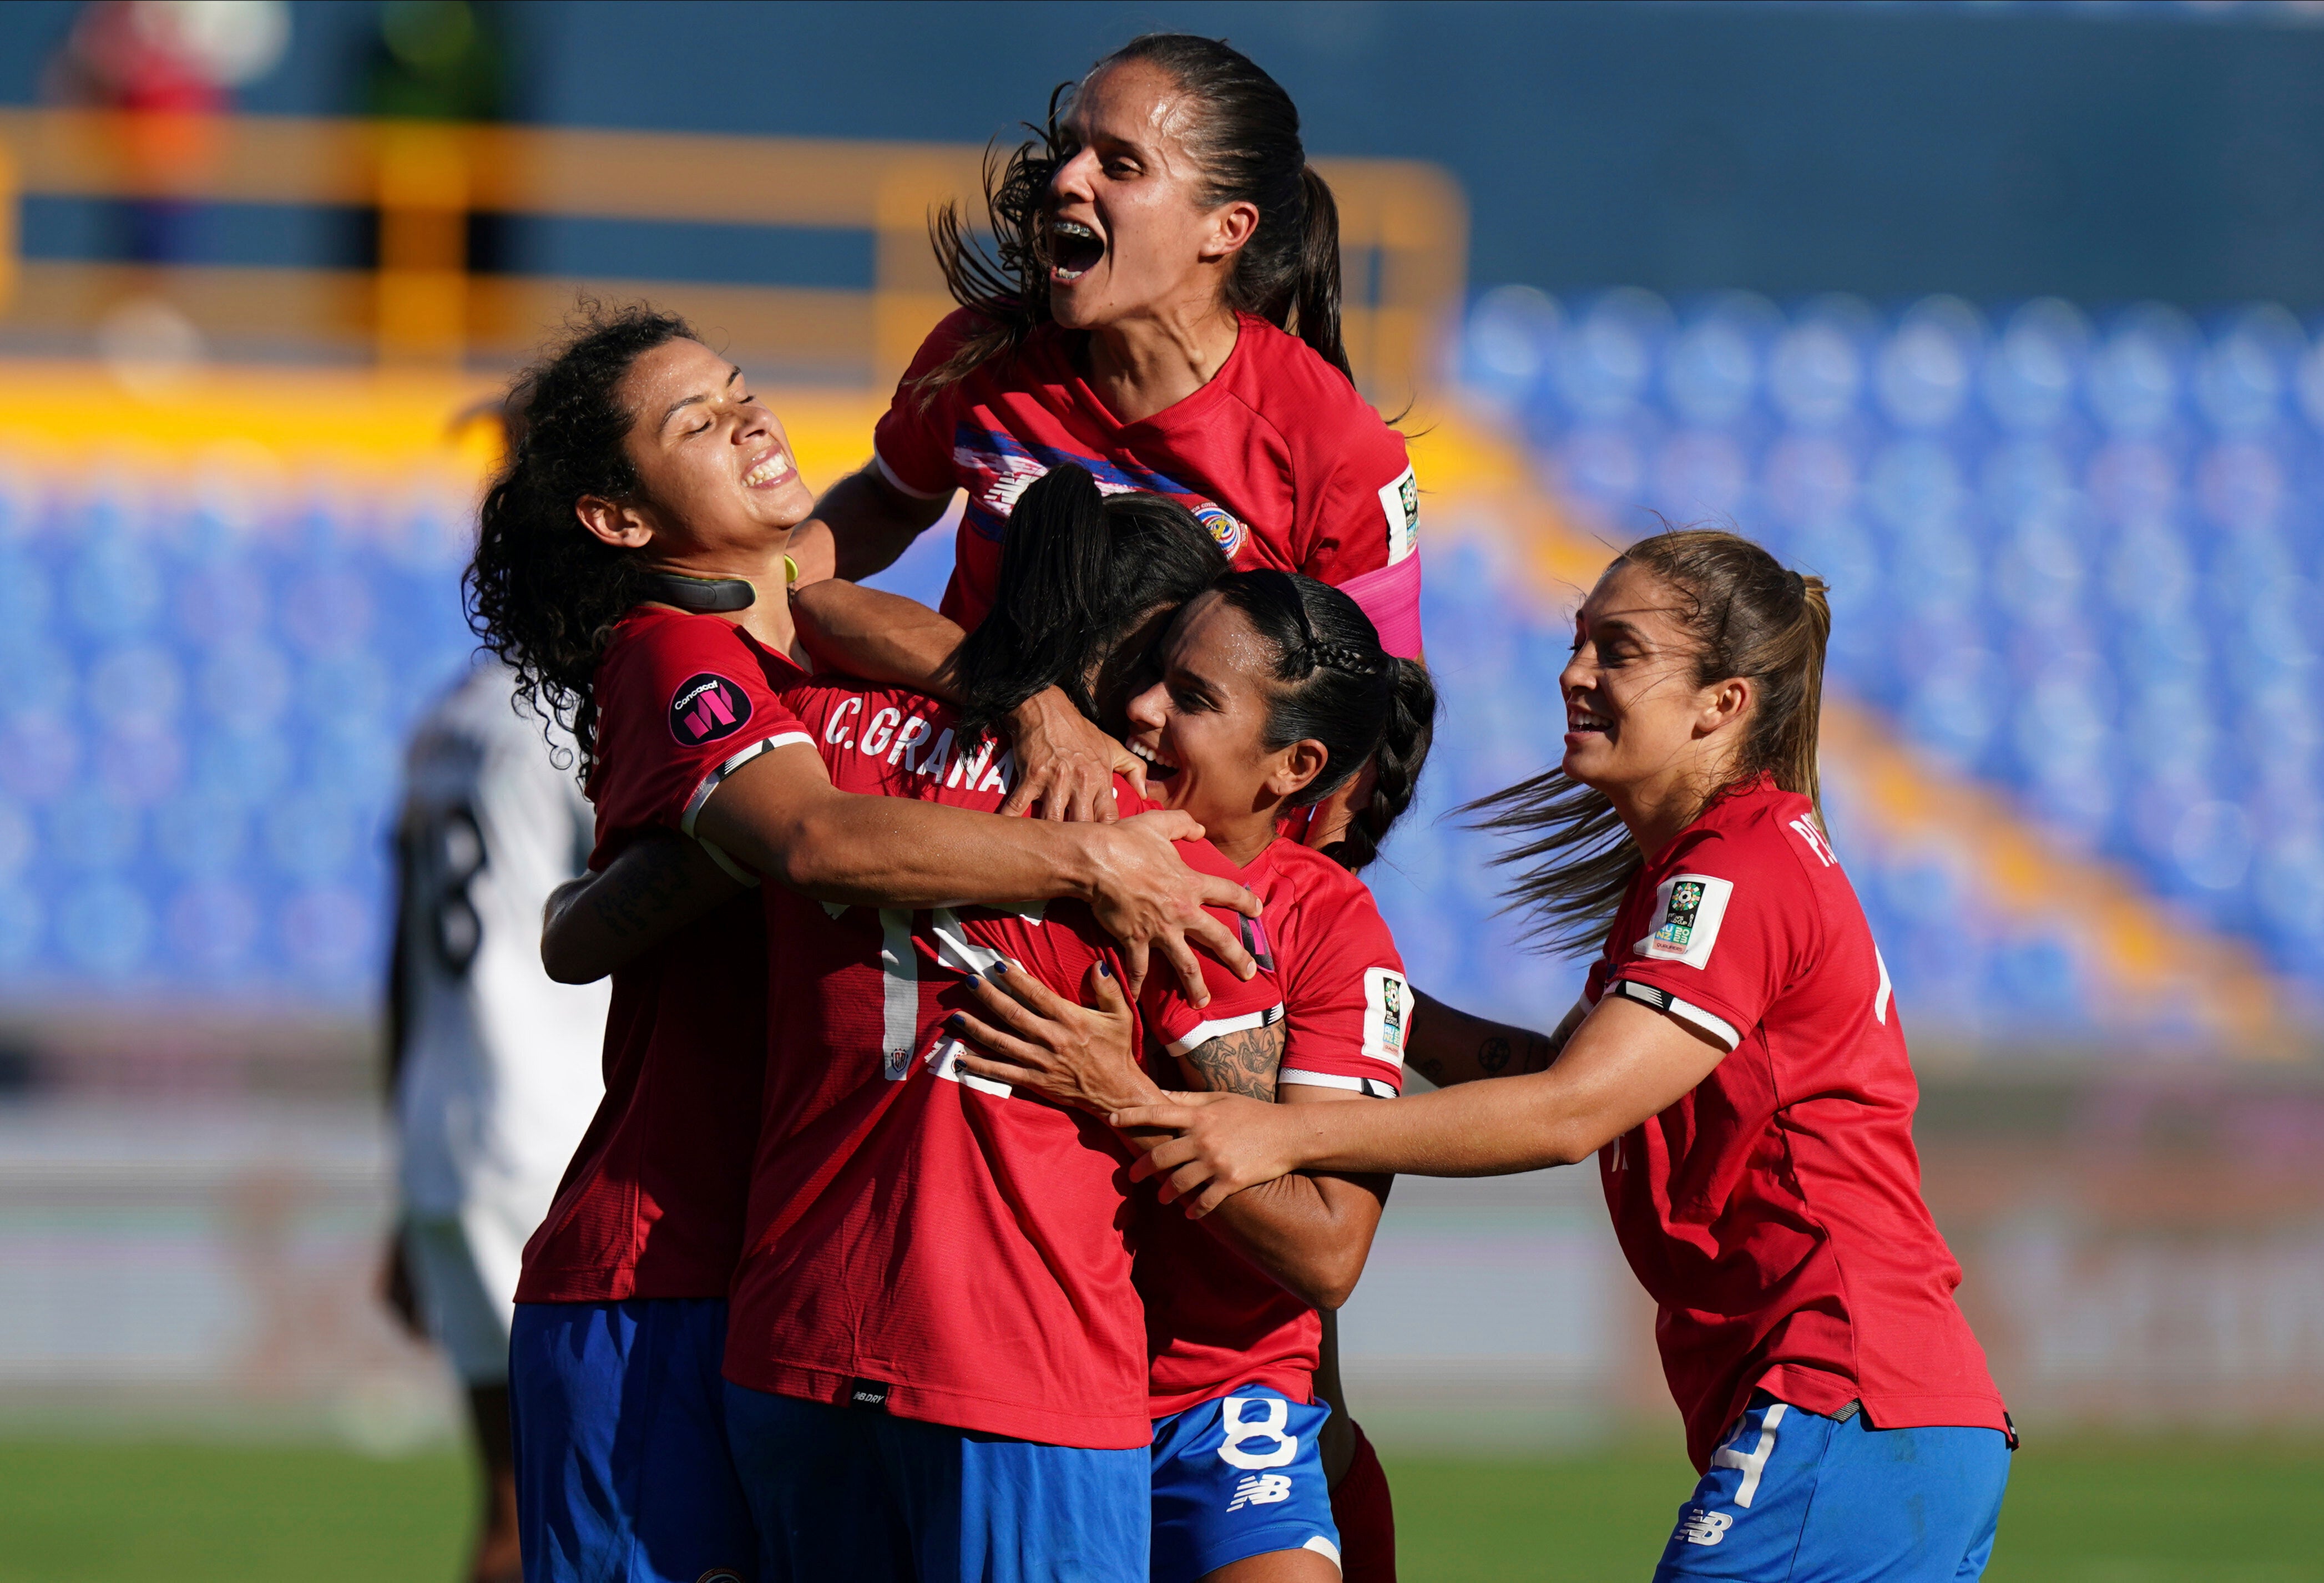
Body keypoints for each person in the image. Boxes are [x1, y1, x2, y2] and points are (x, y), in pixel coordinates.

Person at [464, 308, 1260, 1583]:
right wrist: (1092, 856)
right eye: (699, 426)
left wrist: (1035, 700)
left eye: (741, 394)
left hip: (770, 1276)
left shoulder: (793, 636)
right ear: (620, 521)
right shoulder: (675, 651)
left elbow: (844, 605)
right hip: (651, 1275)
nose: (751, 425)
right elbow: (823, 843)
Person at [1115, 529, 2016, 1583]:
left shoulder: (1738, 869)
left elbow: (1570, 1109)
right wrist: (1335, 985)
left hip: (1843, 1393)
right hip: (1886, 1416)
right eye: (1579, 638)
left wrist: (1282, 1128)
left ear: (1719, 704)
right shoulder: (1712, 867)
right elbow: (1554, 1071)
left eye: (1618, 650)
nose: (1574, 672)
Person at [790, 32, 1423, 837]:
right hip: (977, 806)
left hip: (1176, 870)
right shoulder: (980, 358)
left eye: (1120, 165)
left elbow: (1375, 708)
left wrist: (1278, 900)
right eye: (1069, 150)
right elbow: (888, 496)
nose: (1065, 180)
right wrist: (769, 577)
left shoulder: (1332, 442)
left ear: (1225, 229)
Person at [948, 568, 1434, 1583]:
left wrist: (1126, 1097)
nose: (1142, 708)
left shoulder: (1331, 927)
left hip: (1223, 1398)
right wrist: (1034, 701)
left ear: (1292, 765)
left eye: (1195, 698)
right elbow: (823, 601)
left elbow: (1330, 1252)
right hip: (1020, 1378)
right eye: (1154, 674)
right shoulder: (1045, 833)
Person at [383, 656, 609, 1583]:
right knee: (591, 1497)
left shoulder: (447, 716)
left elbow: (399, 958)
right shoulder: (576, 712)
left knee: (513, 1504)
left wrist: (406, 1173)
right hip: (551, 1130)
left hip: (448, 1123)